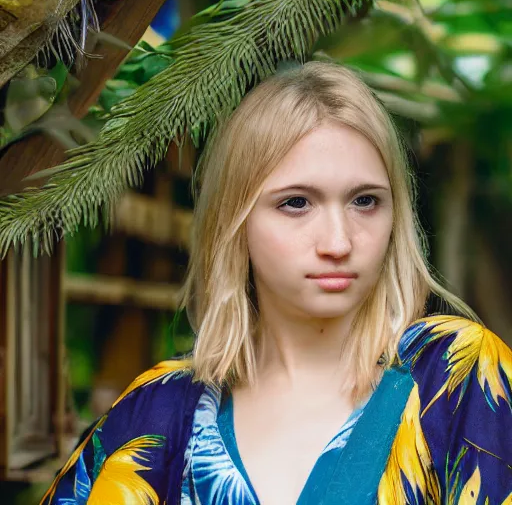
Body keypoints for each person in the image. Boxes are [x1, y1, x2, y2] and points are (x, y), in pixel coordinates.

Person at [41, 62, 512, 505]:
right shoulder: (159, 410)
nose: (338, 241)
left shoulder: (454, 374)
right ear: (235, 220)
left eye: (365, 201)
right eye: (296, 203)